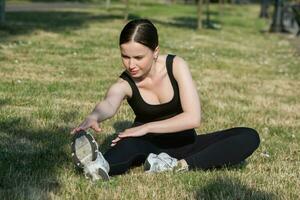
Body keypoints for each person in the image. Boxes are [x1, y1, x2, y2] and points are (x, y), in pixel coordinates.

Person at [71, 19, 260, 180]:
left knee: (248, 136)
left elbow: (193, 118)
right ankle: (98, 165)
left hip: (187, 145)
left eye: (138, 57)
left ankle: (177, 165)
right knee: (126, 143)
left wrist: (145, 127)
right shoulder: (125, 82)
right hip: (147, 146)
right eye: (125, 56)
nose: (131, 65)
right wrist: (95, 115)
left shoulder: (175, 65)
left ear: (155, 52)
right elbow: (110, 103)